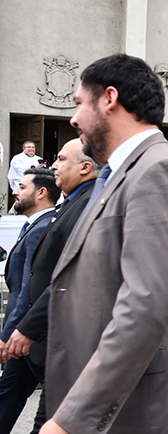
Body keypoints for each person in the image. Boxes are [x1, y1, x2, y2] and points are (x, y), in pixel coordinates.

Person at [41, 53, 168, 434]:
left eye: (78, 104)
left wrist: (71, 420)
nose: (73, 120)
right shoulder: (122, 175)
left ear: (109, 99)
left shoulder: (162, 171)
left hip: (153, 412)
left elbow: (144, 307)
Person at [4, 139, 98, 434]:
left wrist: (24, 329)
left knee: (50, 422)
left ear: (84, 167)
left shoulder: (88, 205)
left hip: (56, 338)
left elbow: (65, 277)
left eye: (60, 159)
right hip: (35, 336)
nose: (53, 165)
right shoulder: (70, 205)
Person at [0, 168, 57, 433]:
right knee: (6, 395)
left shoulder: (42, 228)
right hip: (24, 338)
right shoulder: (33, 226)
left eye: (22, 187)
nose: (15, 190)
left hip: (33, 337)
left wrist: (11, 333)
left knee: (57, 405)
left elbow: (28, 289)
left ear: (41, 192)